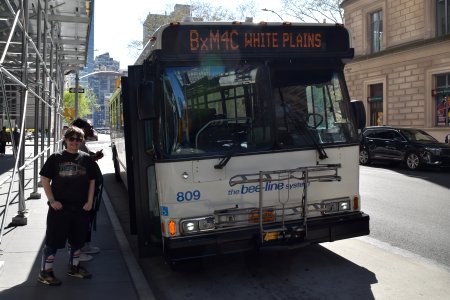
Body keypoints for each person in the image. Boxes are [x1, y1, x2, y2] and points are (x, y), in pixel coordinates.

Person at [38, 126, 97, 286]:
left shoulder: (86, 159)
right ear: (65, 139)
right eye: (71, 139)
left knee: (77, 240)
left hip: (80, 208)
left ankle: (74, 267)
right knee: (53, 240)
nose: (75, 142)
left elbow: (92, 180)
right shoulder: (56, 158)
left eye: (78, 139)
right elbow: (45, 179)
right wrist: (52, 201)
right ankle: (46, 272)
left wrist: (90, 201)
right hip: (59, 209)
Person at [71, 118, 103, 261]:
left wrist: (94, 157)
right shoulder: (76, 145)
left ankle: (83, 246)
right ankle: (78, 251)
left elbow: (86, 160)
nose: (91, 130)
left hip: (86, 188)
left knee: (86, 217)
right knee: (81, 219)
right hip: (81, 190)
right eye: (88, 127)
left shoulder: (81, 144)